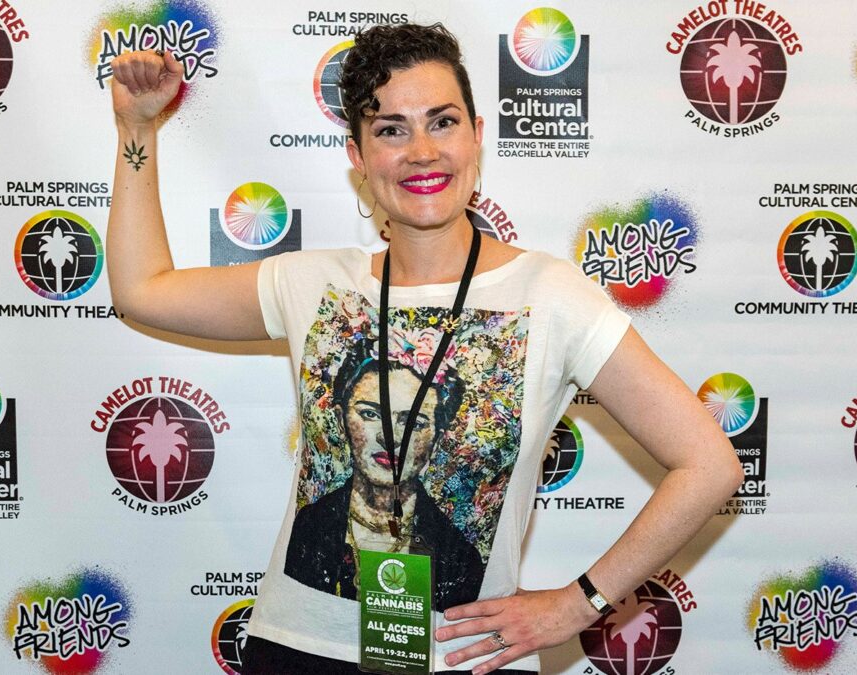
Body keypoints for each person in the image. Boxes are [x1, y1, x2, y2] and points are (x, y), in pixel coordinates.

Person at [107, 22, 742, 675]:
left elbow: (709, 465)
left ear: (477, 134)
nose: (421, 151)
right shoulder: (312, 282)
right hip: (301, 651)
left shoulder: (551, 294)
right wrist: (136, 131)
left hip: (467, 660)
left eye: (441, 122)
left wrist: (578, 603)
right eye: (390, 129)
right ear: (357, 154)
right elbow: (141, 290)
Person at [284, 344, 484, 611]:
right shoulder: (309, 526)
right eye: (370, 414)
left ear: (437, 441)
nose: (390, 437)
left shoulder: (458, 553)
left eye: (413, 422)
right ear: (341, 421)